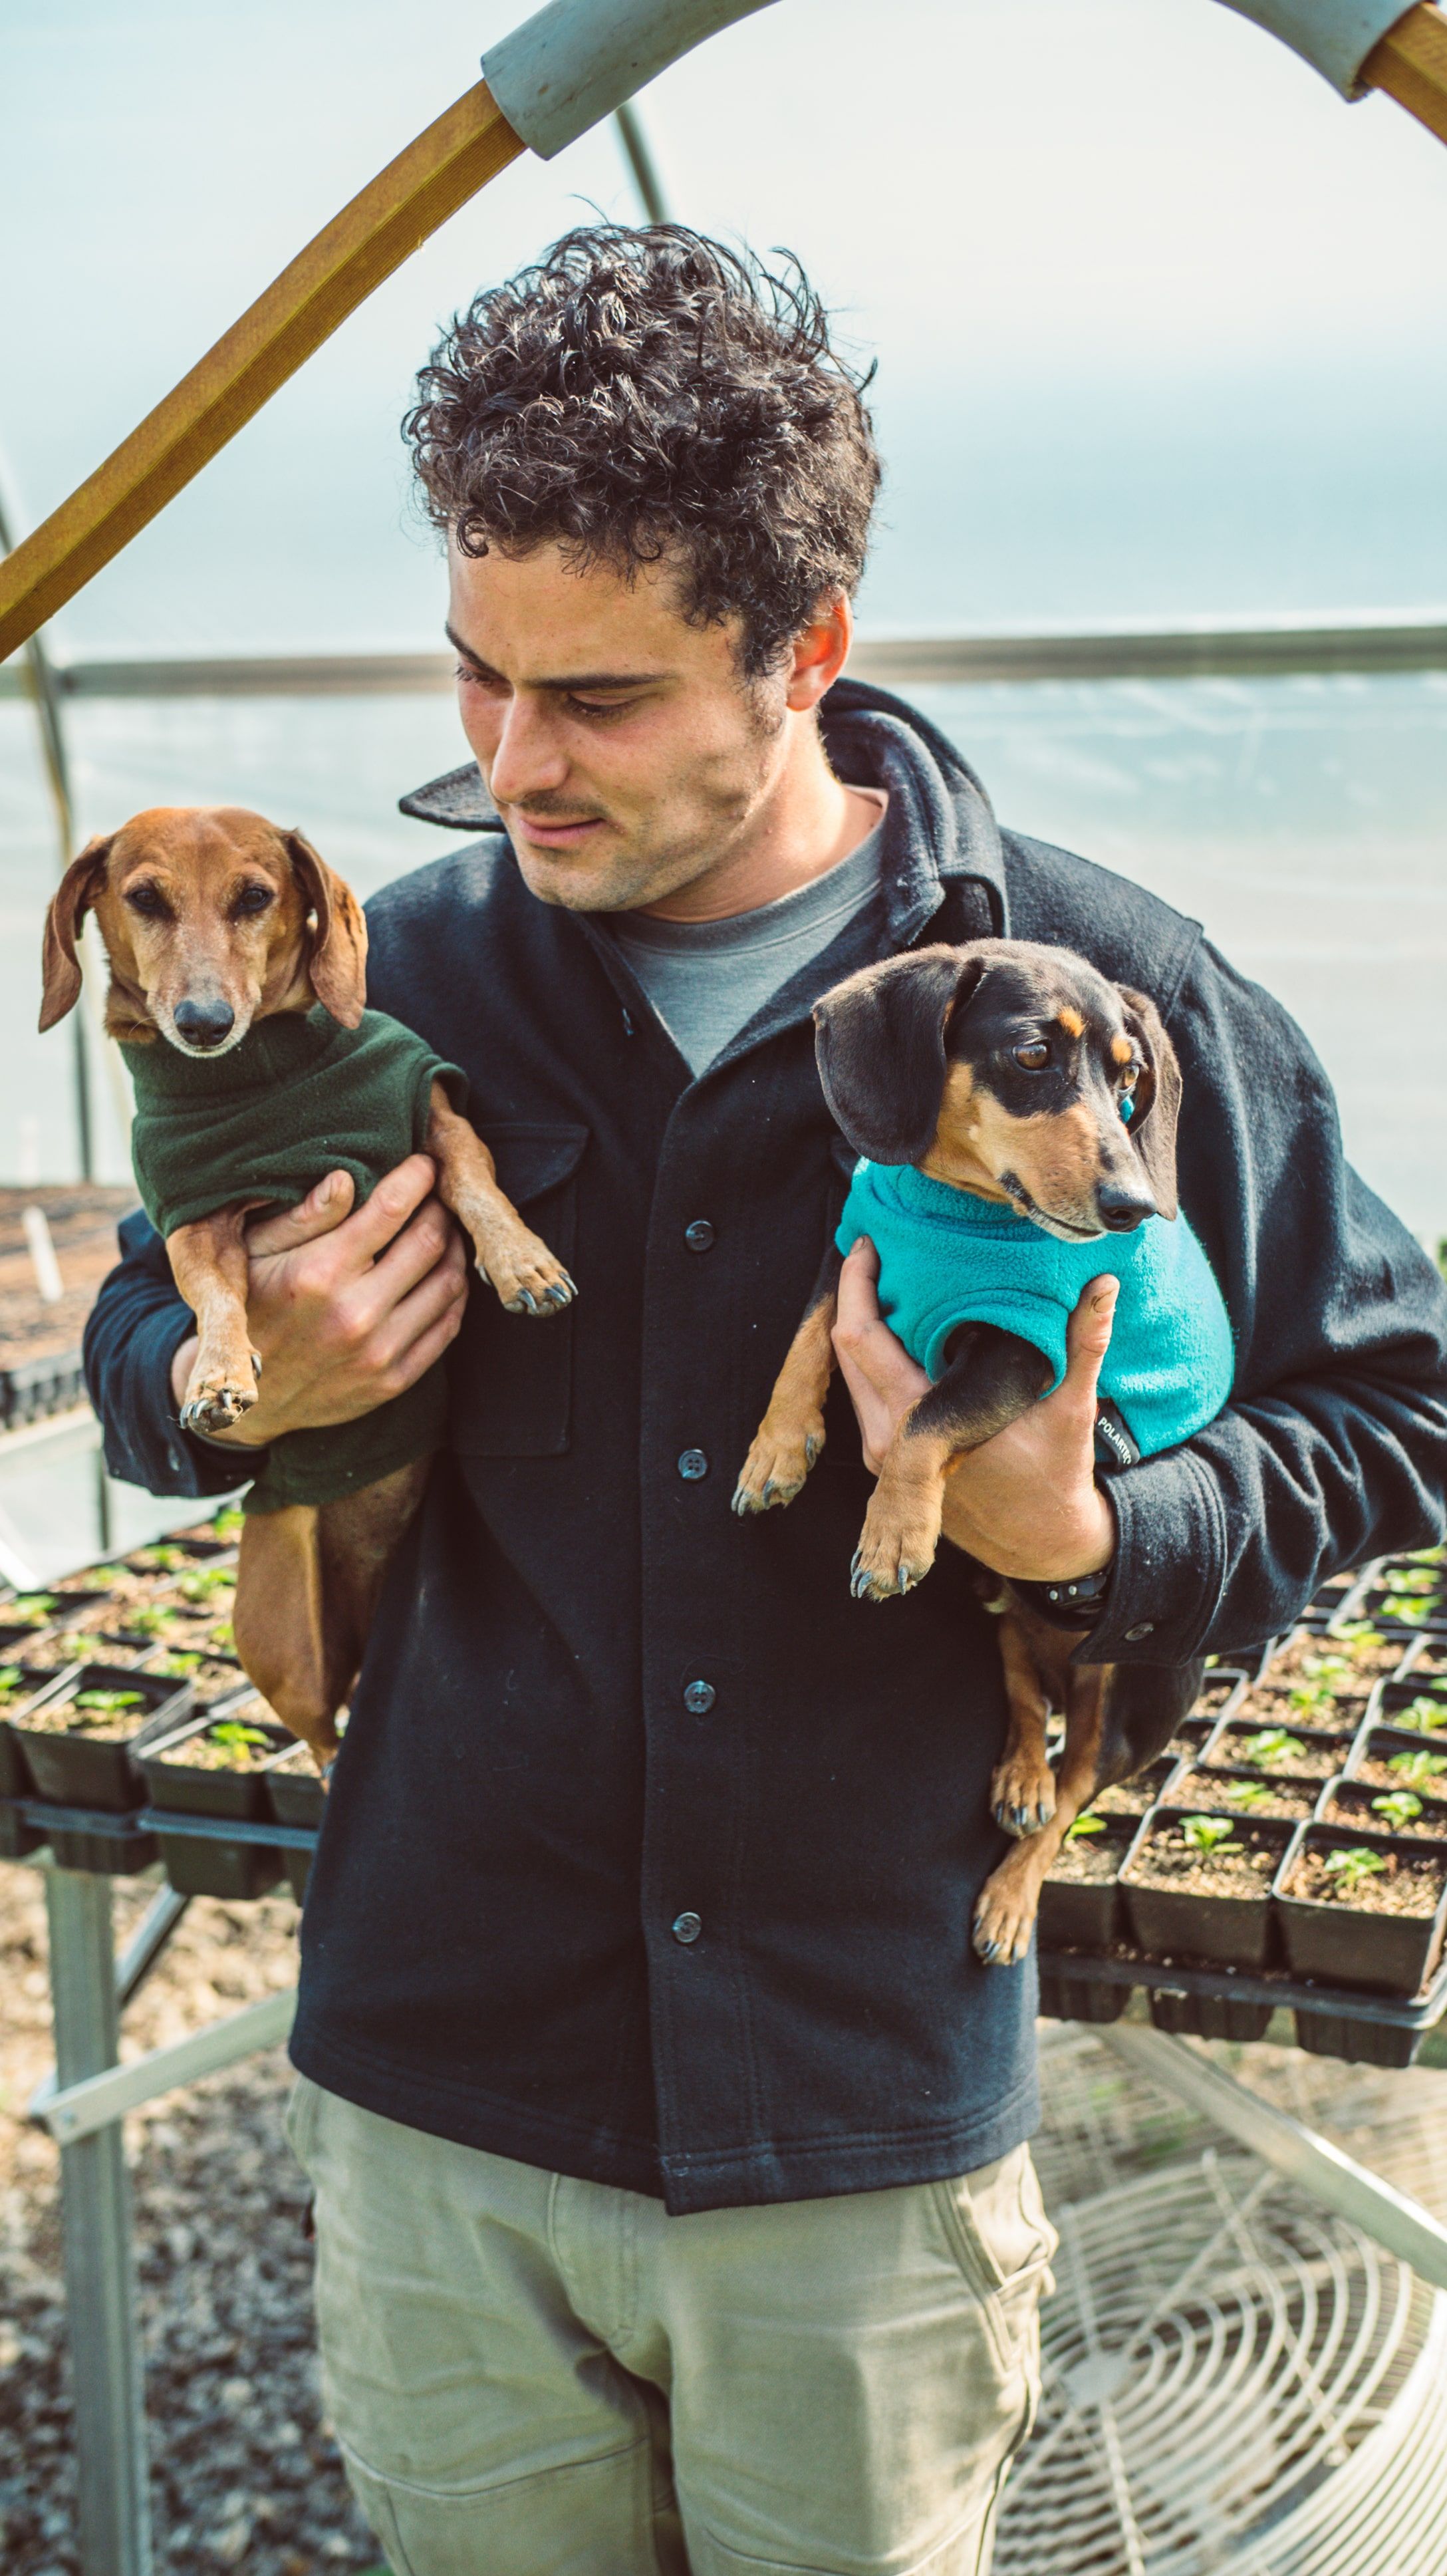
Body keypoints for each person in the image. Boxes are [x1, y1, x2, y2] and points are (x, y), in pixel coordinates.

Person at [86, 225, 1447, 2576]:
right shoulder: (385, 986)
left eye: (593, 699)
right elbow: (137, 1325)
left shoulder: (1106, 994)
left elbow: (1401, 1408)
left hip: (860, 2140)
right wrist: (230, 1390)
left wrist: (1100, 1541)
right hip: (437, 2100)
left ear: (802, 652)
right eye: (475, 674)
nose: (507, 758)